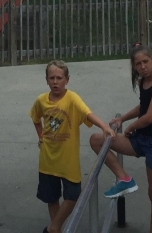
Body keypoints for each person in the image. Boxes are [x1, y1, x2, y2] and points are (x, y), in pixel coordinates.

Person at [90, 44, 152, 233]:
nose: (143, 66)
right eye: (138, 64)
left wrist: (130, 127)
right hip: (140, 141)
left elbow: (149, 116)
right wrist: (122, 119)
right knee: (97, 139)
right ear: (134, 67)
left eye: (145, 62)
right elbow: (142, 107)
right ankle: (124, 178)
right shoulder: (144, 83)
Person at [31, 60, 114, 233]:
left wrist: (104, 127)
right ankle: (57, 230)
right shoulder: (41, 100)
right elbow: (35, 118)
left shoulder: (72, 99)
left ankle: (53, 228)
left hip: (67, 160)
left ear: (67, 80)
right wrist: (40, 136)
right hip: (48, 160)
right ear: (46, 80)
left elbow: (87, 113)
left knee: (73, 195)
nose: (55, 82)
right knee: (51, 198)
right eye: (51, 78)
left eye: (59, 78)